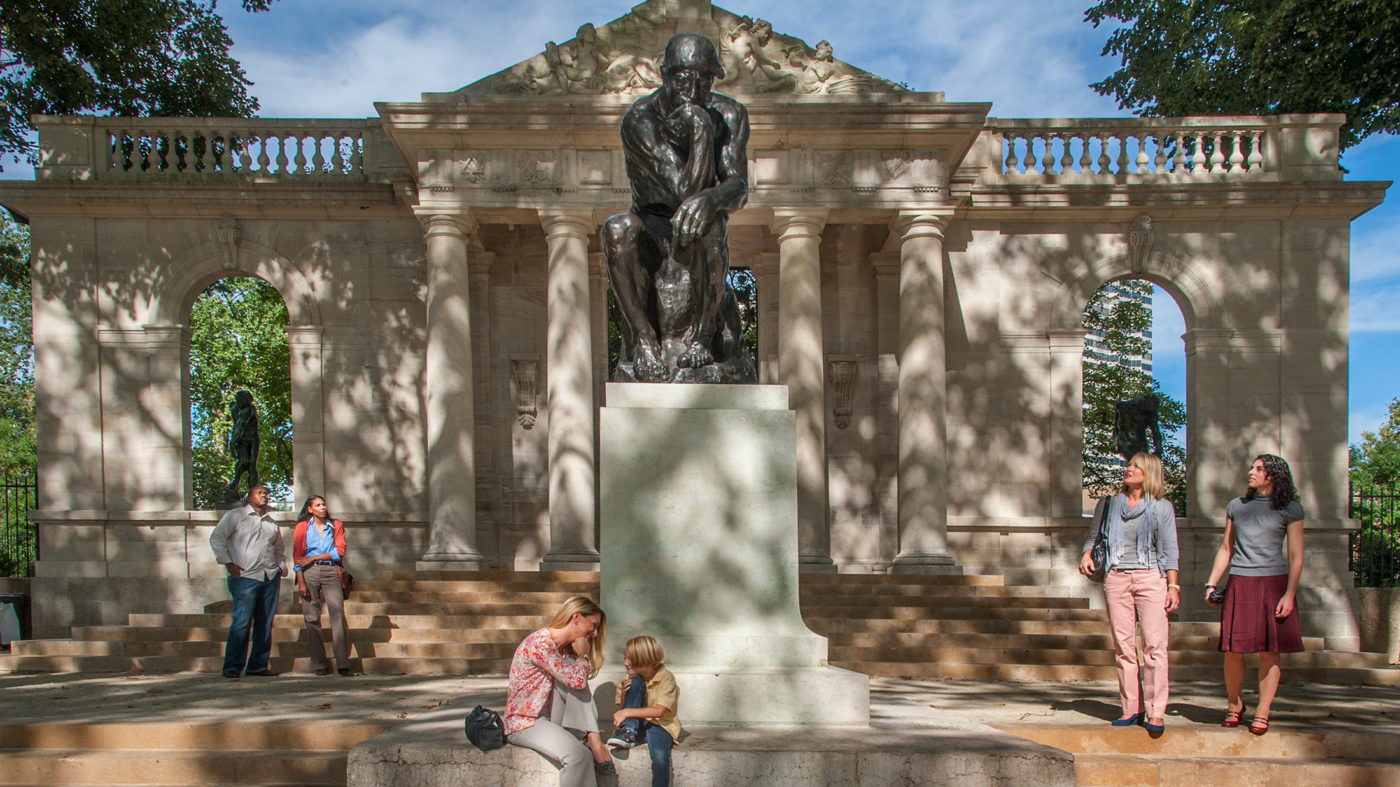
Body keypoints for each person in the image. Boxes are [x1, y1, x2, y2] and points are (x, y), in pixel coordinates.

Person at [601, 33, 754, 383]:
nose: (695, 87)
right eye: (684, 77)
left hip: (698, 227)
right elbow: (683, 188)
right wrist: (700, 129)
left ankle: (702, 336)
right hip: (653, 230)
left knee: (710, 220)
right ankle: (643, 340)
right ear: (666, 75)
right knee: (617, 228)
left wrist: (712, 198)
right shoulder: (640, 119)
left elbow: (738, 187)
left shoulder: (730, 113)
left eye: (705, 77)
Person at [1078, 453, 1180, 734]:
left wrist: (1173, 586)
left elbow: (1170, 550)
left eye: (1136, 466)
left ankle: (1156, 712)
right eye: (1129, 465)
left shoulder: (1161, 508)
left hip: (1151, 578)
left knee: (1154, 647)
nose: (1129, 469)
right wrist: (1087, 554)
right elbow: (1094, 535)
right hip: (1116, 577)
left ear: (1149, 473)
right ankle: (1131, 709)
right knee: (1124, 647)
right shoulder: (1109, 504)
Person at [1204, 454, 1305, 736]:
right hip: (1241, 581)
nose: (1251, 471)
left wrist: (1290, 594)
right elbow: (1226, 548)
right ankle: (1234, 705)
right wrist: (1211, 583)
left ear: (1273, 475)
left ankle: (1263, 712)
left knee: (1269, 651)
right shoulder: (1237, 506)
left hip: (1273, 583)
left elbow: (1296, 555)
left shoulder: (1290, 508)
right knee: (1233, 650)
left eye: (1258, 468)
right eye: (1252, 467)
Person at [505, 596, 614, 786]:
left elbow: (575, 684)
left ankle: (593, 737)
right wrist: (583, 656)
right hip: (525, 722)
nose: (595, 633)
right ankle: (593, 740)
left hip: (550, 719)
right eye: (594, 625)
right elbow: (577, 680)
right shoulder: (541, 643)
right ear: (576, 618)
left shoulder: (563, 650)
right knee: (579, 756)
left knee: (572, 665)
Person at [208, 484, 286, 679]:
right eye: (259, 493)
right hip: (245, 577)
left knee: (265, 623)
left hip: (269, 577)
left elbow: (278, 549)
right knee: (241, 623)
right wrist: (228, 563)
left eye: (266, 493)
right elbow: (217, 538)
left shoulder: (271, 523)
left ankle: (258, 666)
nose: (264, 496)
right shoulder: (236, 516)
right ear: (249, 497)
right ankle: (233, 666)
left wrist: (280, 567)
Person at [607, 635, 681, 787]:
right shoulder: (631, 679)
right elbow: (622, 710)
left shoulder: (667, 678)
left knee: (660, 759)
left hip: (661, 726)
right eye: (625, 657)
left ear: (647, 659)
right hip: (637, 726)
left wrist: (627, 712)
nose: (625, 663)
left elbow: (660, 711)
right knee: (635, 683)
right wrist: (626, 697)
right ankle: (627, 732)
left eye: (631, 659)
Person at [292, 495, 350, 676]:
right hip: (309, 572)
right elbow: (297, 556)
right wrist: (300, 580)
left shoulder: (336, 525)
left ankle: (343, 663)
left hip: (331, 571)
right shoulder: (302, 527)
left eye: (324, 504)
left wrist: (315, 557)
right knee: (311, 618)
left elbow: (339, 551)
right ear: (310, 509)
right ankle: (319, 664)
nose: (323, 507)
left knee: (337, 614)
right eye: (318, 505)